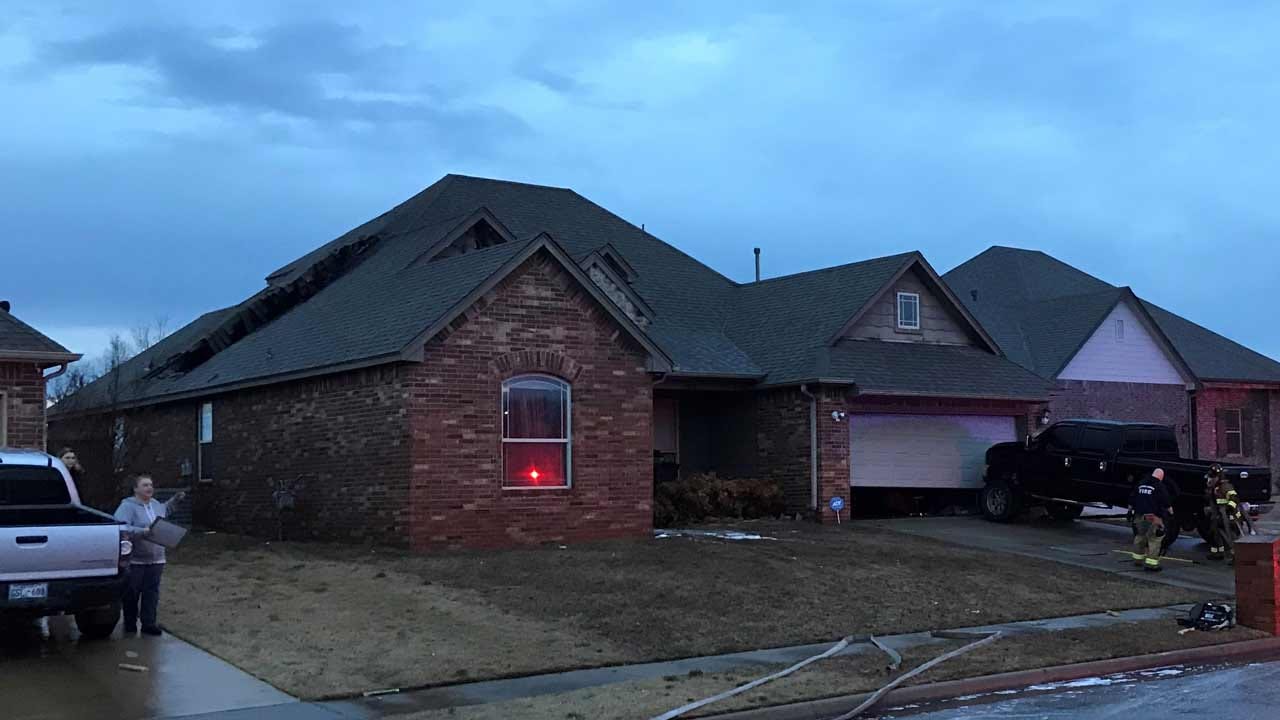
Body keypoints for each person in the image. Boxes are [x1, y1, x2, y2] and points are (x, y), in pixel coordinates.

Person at [113, 475, 185, 636]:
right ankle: (130, 623)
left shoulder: (156, 505)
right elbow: (121, 527)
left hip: (157, 557)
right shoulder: (127, 506)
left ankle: (149, 623)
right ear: (136, 489)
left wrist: (176, 500)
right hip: (136, 559)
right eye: (145, 485)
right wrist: (142, 531)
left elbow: (166, 510)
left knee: (151, 592)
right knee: (132, 592)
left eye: (151, 485)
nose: (149, 488)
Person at [1130, 468, 1173, 572]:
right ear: (1160, 477)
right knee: (1155, 539)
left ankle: (1137, 560)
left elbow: (1132, 499)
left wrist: (1130, 512)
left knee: (1140, 536)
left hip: (1139, 516)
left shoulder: (1141, 484)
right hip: (1153, 517)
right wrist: (1171, 513)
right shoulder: (1159, 486)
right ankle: (1152, 564)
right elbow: (1166, 501)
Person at [1205, 465, 1243, 563]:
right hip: (1219, 517)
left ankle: (1237, 557)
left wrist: (1228, 509)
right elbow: (1214, 502)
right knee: (1214, 533)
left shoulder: (1225, 486)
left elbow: (1234, 498)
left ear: (1218, 477)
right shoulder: (1214, 488)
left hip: (1230, 517)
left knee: (1231, 537)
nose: (1210, 479)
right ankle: (1218, 553)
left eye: (1212, 477)